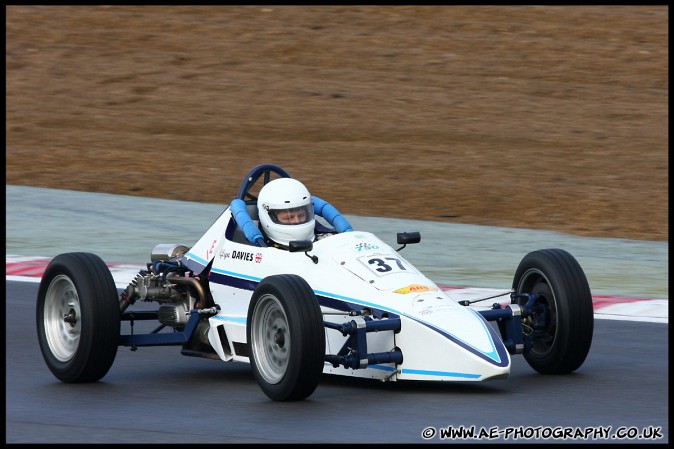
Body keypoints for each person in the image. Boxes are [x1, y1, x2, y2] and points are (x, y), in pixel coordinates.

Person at [257, 177, 352, 249]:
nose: (297, 220)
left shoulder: (326, 240)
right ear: (269, 217)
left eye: (301, 215)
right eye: (289, 217)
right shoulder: (263, 251)